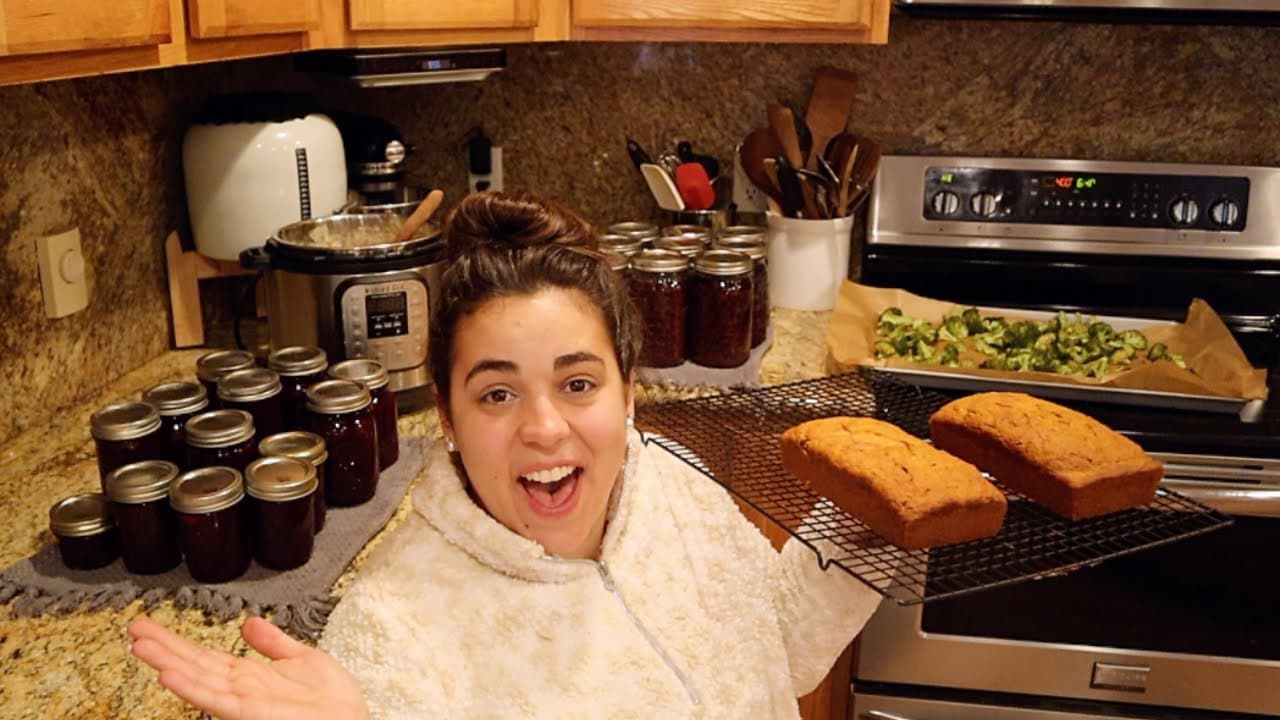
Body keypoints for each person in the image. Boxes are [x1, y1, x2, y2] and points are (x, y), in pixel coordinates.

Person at [128, 191, 883, 719]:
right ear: (447, 416)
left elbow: (776, 649)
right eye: (497, 394)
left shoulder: (679, 487)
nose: (545, 428)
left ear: (628, 392)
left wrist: (876, 515)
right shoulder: (394, 633)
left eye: (578, 382)